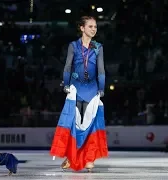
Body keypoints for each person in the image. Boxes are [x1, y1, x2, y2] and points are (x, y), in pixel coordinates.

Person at [50, 16, 108, 172]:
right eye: (90, 26)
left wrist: (101, 88)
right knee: (74, 126)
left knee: (91, 127)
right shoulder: (73, 46)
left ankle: (89, 159)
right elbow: (68, 67)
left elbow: (101, 70)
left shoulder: (98, 47)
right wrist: (67, 84)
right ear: (82, 28)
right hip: (76, 91)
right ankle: (71, 156)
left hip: (92, 91)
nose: (94, 29)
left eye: (95, 26)